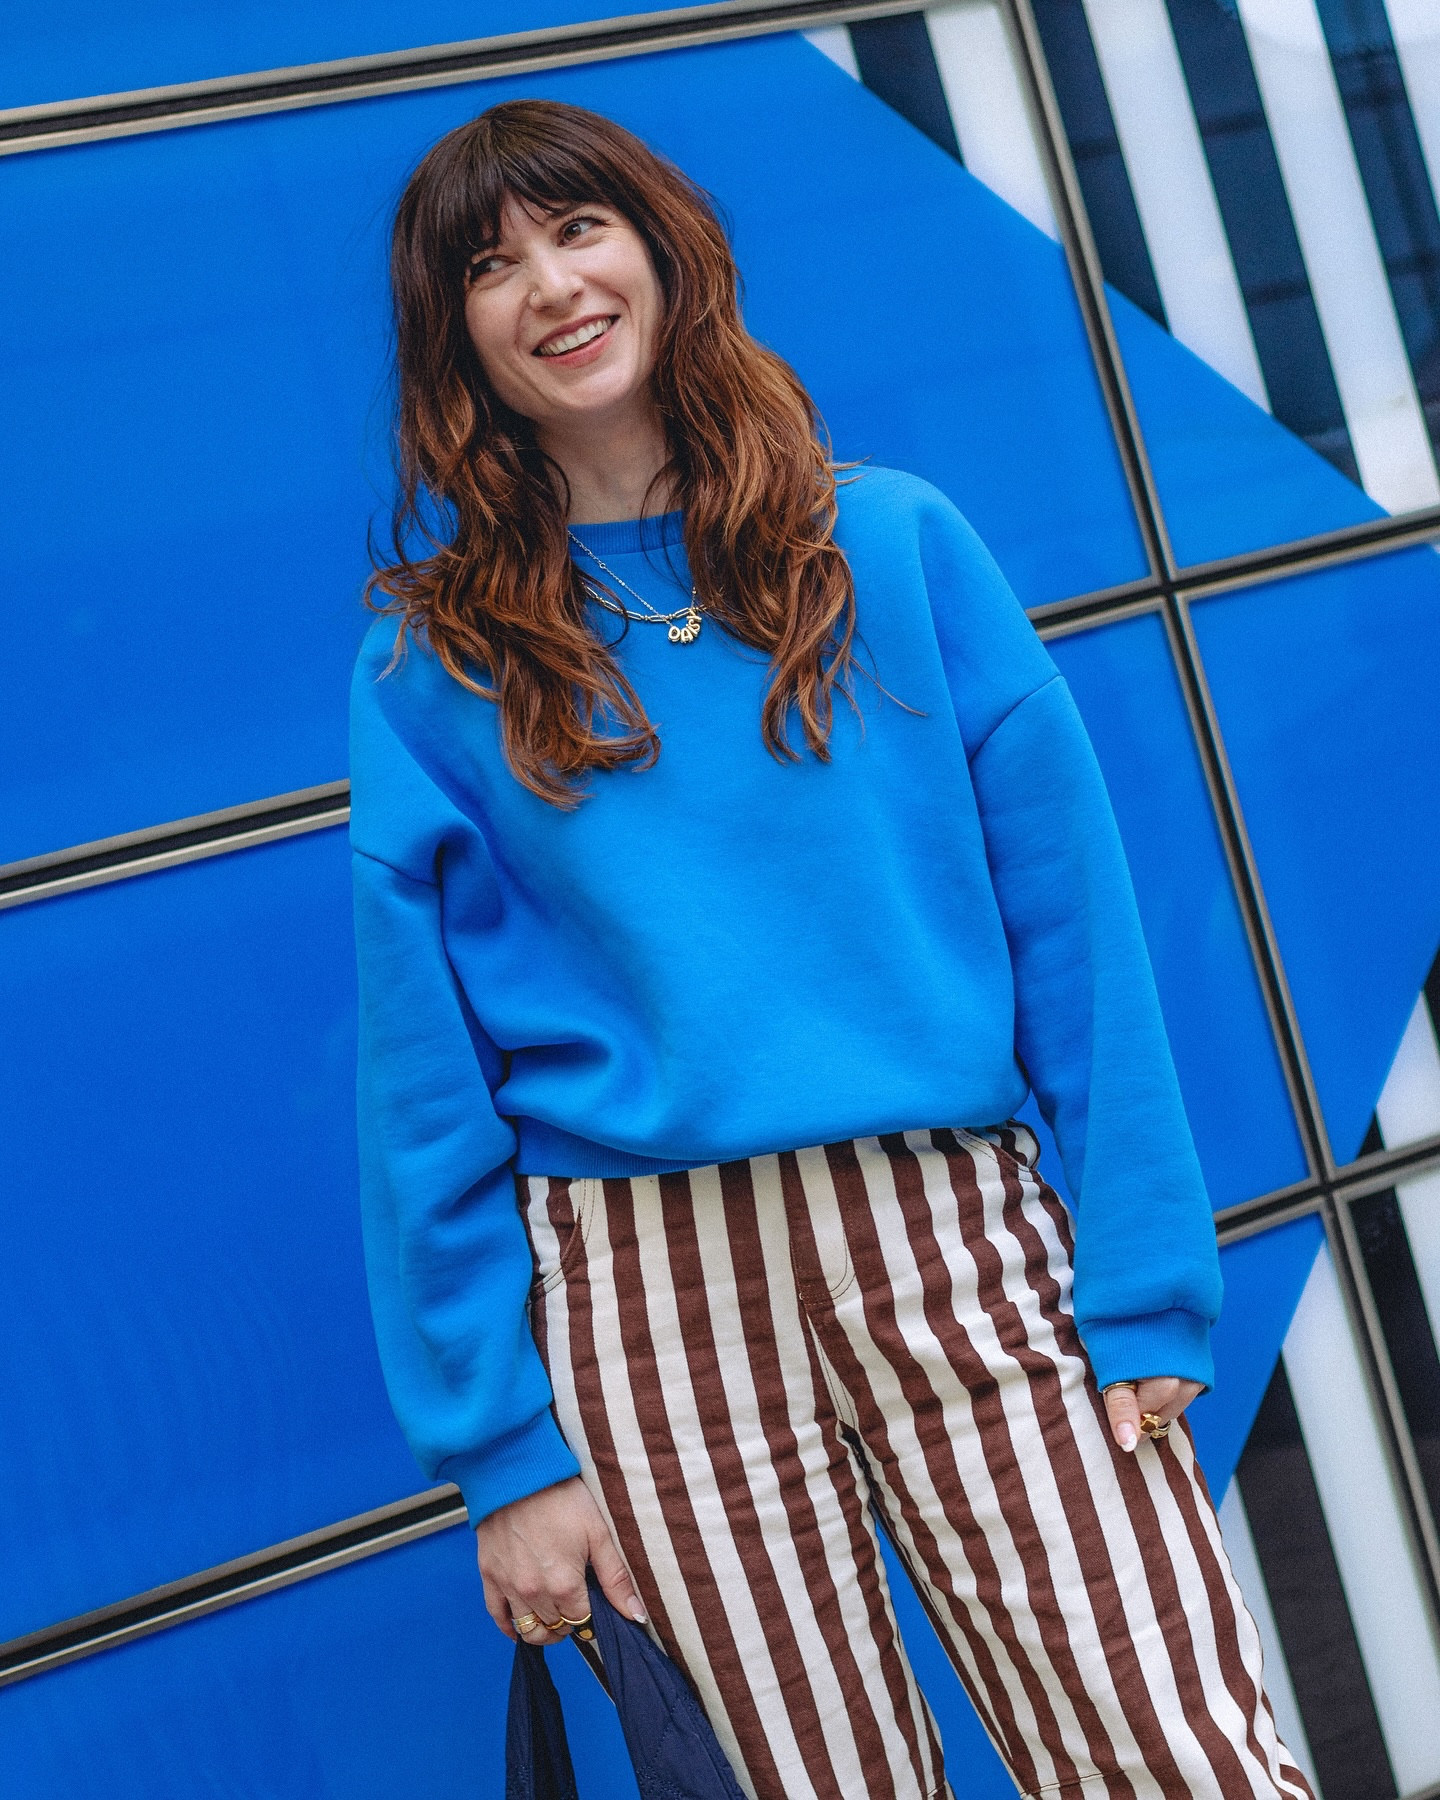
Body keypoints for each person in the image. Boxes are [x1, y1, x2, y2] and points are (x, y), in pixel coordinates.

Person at [350, 97, 1310, 1800]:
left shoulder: (893, 545)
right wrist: (506, 1455)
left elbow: (1077, 933)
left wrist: (1149, 1277)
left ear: (662, 251)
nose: (550, 286)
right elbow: (423, 1090)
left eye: (579, 229)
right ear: (456, 339)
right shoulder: (434, 665)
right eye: (490, 266)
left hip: (953, 1231)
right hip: (645, 1290)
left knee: (1177, 1754)